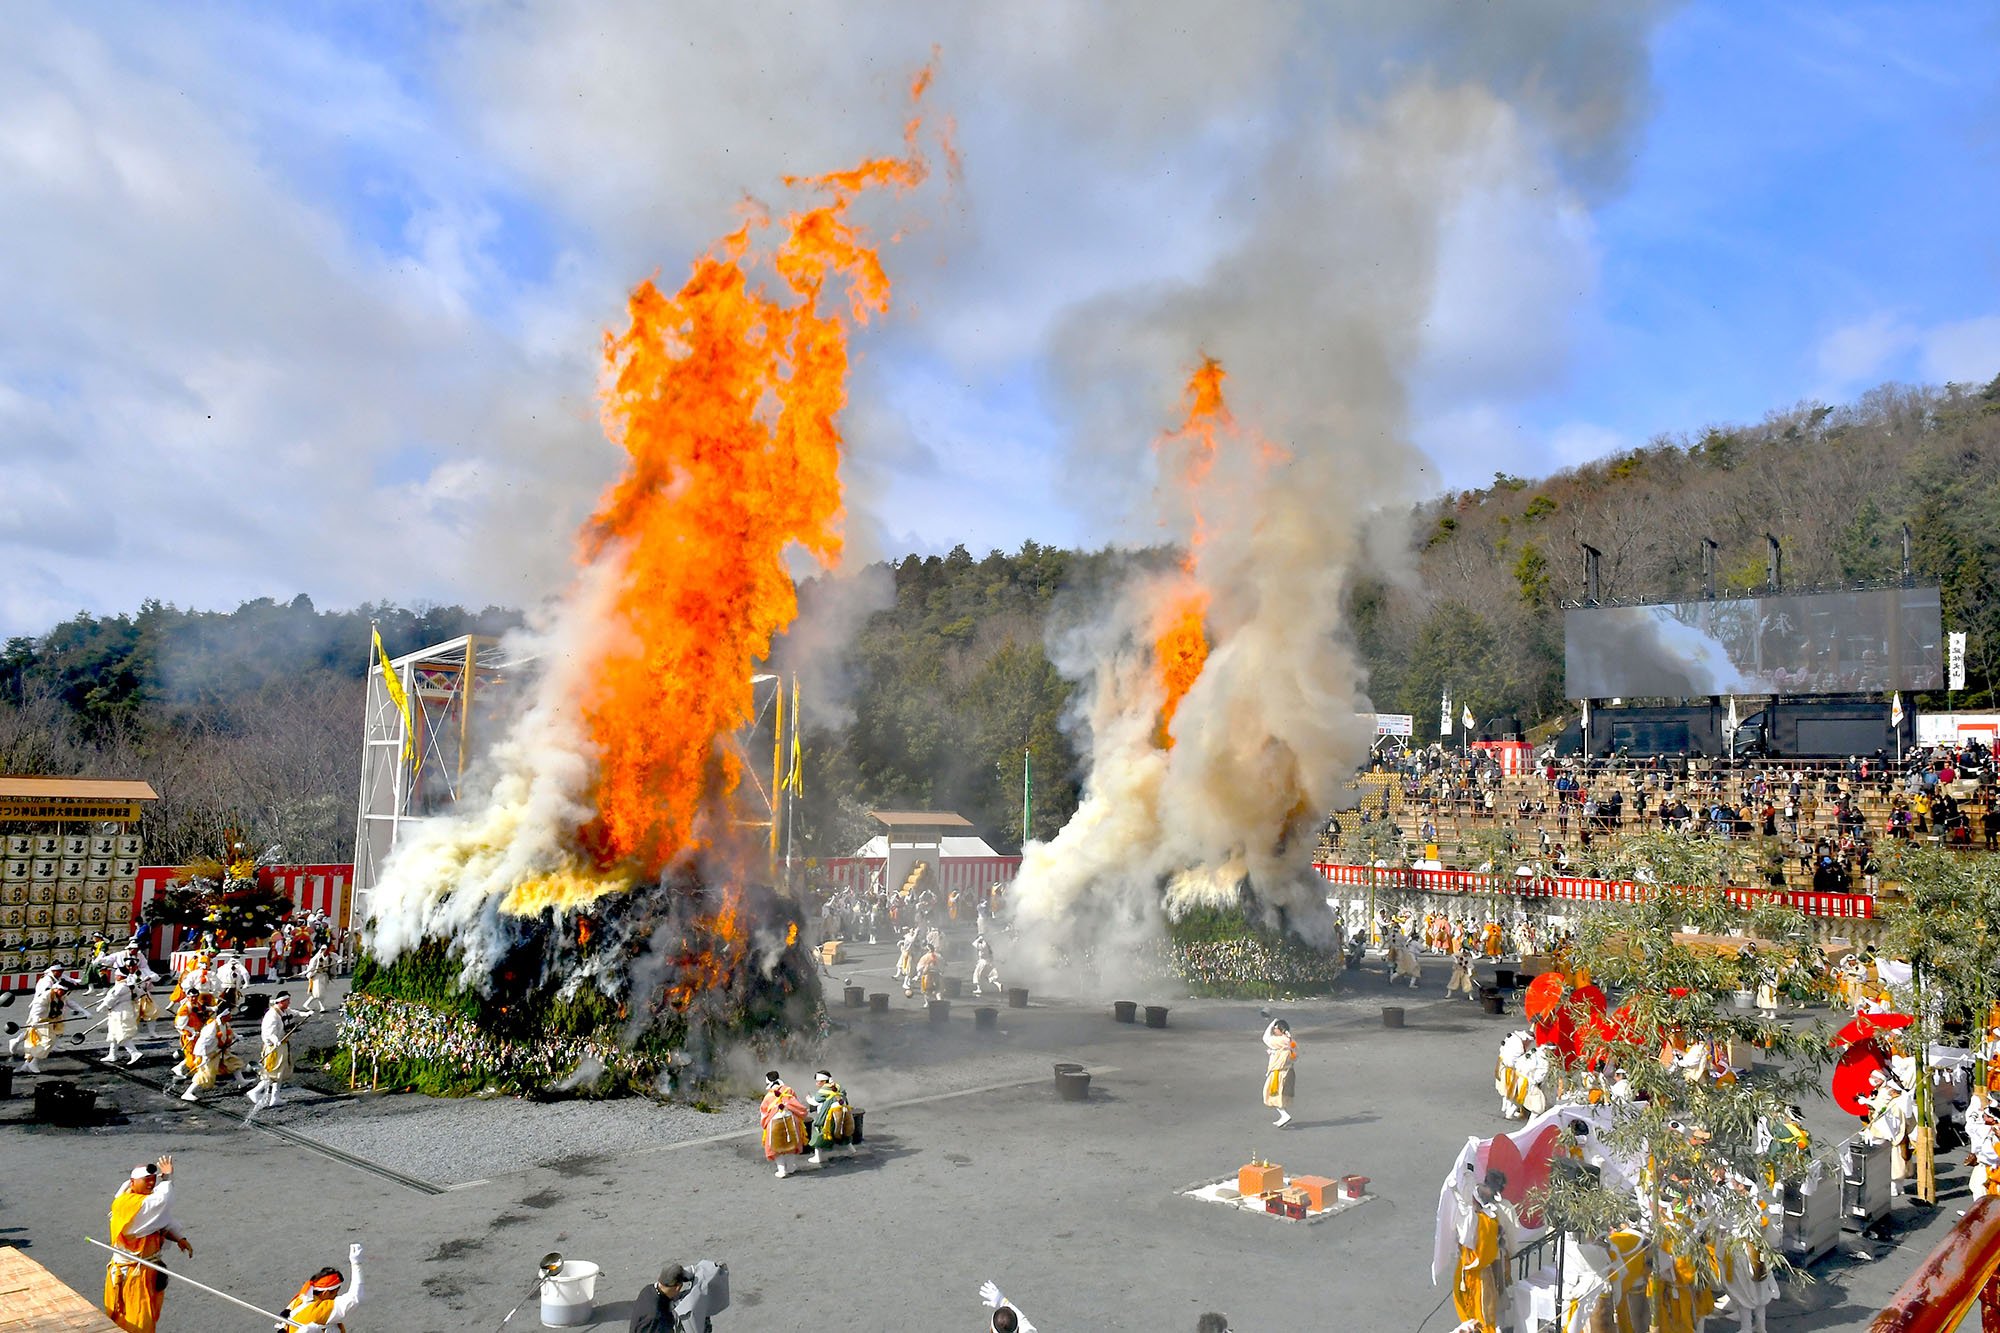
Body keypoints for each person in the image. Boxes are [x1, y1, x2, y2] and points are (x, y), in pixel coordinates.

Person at [103, 1154, 192, 1333]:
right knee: (136, 1320)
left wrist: (179, 1239)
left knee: (149, 1314)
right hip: (132, 1274)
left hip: (148, 1270)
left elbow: (159, 1223)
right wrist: (167, 1178)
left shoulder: (144, 1204)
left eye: (153, 1180)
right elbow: (160, 1203)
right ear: (133, 1182)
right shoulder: (126, 1204)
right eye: (146, 1180)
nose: (151, 1183)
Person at [1450, 1168, 1508, 1333]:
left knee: (1481, 1315)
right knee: (1484, 1314)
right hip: (1482, 1273)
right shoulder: (1491, 1219)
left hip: (1473, 1274)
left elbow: (1462, 1237)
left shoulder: (1476, 1222)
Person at [278, 1245, 365, 1332]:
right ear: (325, 1293)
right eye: (335, 1292)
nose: (337, 1296)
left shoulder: (299, 1300)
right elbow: (354, 1298)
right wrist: (356, 1264)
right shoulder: (320, 1311)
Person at [246, 992, 297, 1113]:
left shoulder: (283, 1011)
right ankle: (255, 1091)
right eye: (287, 1001)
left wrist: (305, 1014)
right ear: (281, 1002)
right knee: (272, 1072)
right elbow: (269, 1032)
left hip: (283, 1045)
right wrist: (275, 1041)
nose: (289, 1003)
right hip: (274, 1047)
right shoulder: (272, 1015)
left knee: (281, 1071)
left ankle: (275, 1097)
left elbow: (293, 1012)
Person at [181, 1008, 246, 1102]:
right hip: (209, 1053)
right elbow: (202, 1043)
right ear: (223, 1016)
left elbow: (229, 1032)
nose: (230, 1016)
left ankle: (242, 1082)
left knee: (233, 1063)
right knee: (205, 1074)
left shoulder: (225, 1024)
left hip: (221, 1051)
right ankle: (187, 1093)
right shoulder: (211, 1028)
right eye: (228, 1015)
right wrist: (203, 1058)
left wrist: (237, 1036)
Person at [760, 1071, 810, 1178]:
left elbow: (763, 1112)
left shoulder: (768, 1096)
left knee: (776, 1147)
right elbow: (796, 1103)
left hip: (774, 1121)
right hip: (790, 1118)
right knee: (791, 1143)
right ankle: (791, 1166)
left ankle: (781, 1170)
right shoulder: (789, 1090)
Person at [17, 977, 70, 1072]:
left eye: (64, 992)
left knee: (46, 1042)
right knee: (45, 1041)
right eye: (61, 991)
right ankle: (33, 1062)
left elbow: (70, 1003)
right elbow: (37, 1009)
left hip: (49, 1021)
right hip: (39, 1021)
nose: (63, 993)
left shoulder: (62, 996)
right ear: (56, 988)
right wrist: (35, 1021)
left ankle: (28, 1064)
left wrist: (84, 1012)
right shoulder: (45, 996)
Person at [96, 965, 145, 1065]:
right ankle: (112, 1054)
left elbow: (111, 999)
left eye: (116, 974)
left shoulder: (120, 987)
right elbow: (139, 994)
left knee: (122, 1034)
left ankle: (134, 1053)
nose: (115, 976)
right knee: (114, 1033)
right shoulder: (131, 985)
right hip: (127, 1009)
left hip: (120, 1012)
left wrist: (102, 1007)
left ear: (120, 976)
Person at [807, 1069, 854, 1165]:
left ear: (824, 1081)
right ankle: (851, 1149)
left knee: (819, 1133)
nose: (817, 1083)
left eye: (818, 1081)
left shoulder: (823, 1090)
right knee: (842, 1130)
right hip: (843, 1112)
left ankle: (818, 1157)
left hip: (829, 1117)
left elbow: (815, 1102)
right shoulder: (838, 1086)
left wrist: (808, 1099)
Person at [1262, 1018, 1297, 1128]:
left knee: (1272, 1095)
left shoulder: (1281, 1040)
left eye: (1275, 1028)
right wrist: (1274, 1052)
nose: (1274, 1030)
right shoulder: (1289, 1041)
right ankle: (1283, 1117)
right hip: (1287, 1072)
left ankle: (1284, 1115)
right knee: (1280, 1096)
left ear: (1281, 1030)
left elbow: (1265, 1038)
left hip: (1279, 1073)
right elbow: (1290, 1053)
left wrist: (1271, 1023)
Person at [301, 943, 335, 1015]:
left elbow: (338, 958)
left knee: (320, 992)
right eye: (323, 950)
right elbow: (311, 968)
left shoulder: (330, 956)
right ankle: (322, 1007)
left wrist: (340, 961)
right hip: (317, 976)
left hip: (325, 976)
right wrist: (309, 972)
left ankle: (307, 1004)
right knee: (318, 993)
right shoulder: (316, 958)